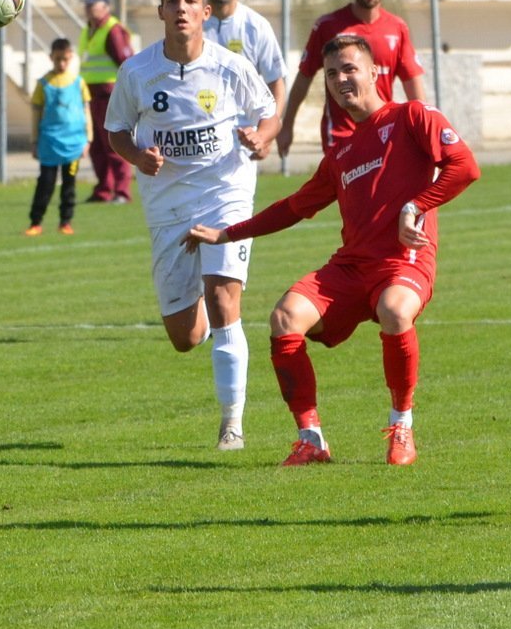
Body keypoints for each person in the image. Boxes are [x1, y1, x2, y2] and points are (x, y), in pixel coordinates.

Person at [186, 34, 479, 467]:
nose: (341, 80)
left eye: (349, 69)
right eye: (331, 74)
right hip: (352, 267)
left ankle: (402, 426)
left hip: (404, 260)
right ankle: (311, 439)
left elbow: (465, 167)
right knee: (285, 317)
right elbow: (294, 206)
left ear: (374, 72)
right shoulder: (340, 151)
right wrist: (227, 234)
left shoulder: (414, 116)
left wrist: (417, 205)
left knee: (396, 311)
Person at [104, 0, 278, 451]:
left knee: (225, 301)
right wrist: (138, 156)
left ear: (205, 12)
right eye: (171, 0)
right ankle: (197, 312)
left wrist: (260, 138)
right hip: (168, 204)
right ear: (160, 11)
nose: (180, 8)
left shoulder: (230, 66)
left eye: (189, 0)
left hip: (226, 190)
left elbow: (268, 112)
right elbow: (116, 128)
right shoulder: (136, 72)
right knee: (183, 337)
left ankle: (232, 425)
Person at [277, 0, 426, 155]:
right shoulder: (328, 26)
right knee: (344, 186)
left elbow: (412, 82)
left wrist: (423, 127)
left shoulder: (397, 28)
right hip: (340, 134)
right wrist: (287, 125)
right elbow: (304, 76)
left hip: (381, 130)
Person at [202, 0, 288, 127]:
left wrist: (268, 131)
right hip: (200, 135)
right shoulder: (190, 24)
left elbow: (276, 82)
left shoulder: (257, 26)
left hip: (242, 137)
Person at [26, 37, 92, 236]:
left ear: (70, 57)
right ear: (51, 58)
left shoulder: (78, 82)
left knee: (69, 183)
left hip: (73, 144)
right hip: (49, 142)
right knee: (45, 182)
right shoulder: (44, 83)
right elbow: (36, 113)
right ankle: (35, 222)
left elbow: (86, 111)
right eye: (57, 60)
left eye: (64, 59)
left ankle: (65, 222)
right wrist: (35, 140)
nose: (61, 64)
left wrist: (88, 139)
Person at [79, 0, 135, 204]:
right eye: (87, 4)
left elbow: (126, 61)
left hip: (108, 94)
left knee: (113, 144)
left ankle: (121, 191)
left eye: (93, 4)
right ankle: (103, 189)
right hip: (90, 94)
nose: (88, 8)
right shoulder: (88, 30)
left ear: (106, 7)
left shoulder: (112, 30)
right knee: (96, 146)